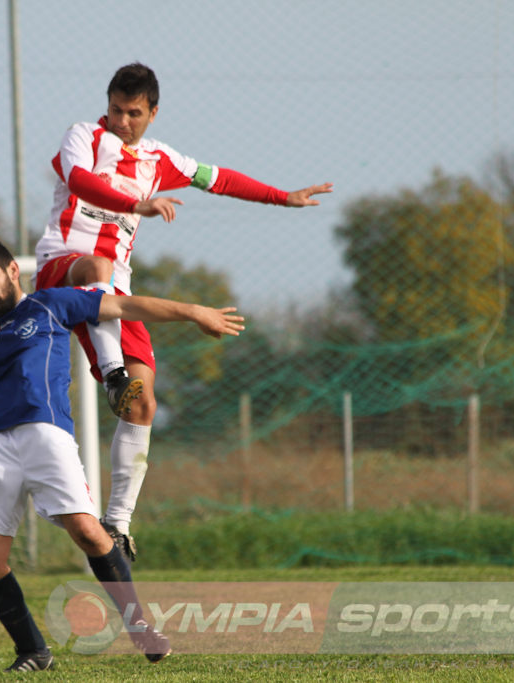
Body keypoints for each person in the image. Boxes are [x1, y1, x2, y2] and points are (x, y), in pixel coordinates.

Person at [0, 237, 245, 672]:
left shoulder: (50, 305)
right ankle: (34, 652)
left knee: (89, 533)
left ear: (12, 272)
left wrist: (195, 312)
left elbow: (126, 308)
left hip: (47, 434)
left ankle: (139, 627)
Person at [33, 61, 333, 560]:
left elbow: (218, 179)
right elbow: (83, 183)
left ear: (153, 112)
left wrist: (283, 198)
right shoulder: (82, 135)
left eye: (132, 113)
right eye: (114, 110)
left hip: (117, 288)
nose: (121, 121)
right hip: (64, 267)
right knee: (97, 266)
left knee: (143, 402)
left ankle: (118, 523)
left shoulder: (160, 159)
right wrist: (138, 206)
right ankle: (110, 374)